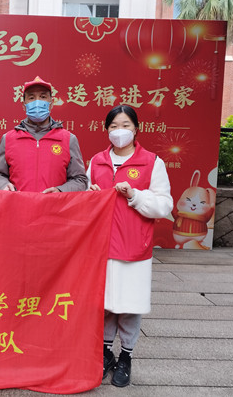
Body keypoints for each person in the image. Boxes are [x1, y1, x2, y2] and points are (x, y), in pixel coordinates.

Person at [87, 105, 173, 387]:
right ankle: (105, 354)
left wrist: (135, 195)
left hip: (135, 246)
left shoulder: (152, 162)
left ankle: (126, 356)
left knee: (130, 306)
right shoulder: (97, 161)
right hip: (102, 246)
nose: (119, 131)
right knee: (105, 304)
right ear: (106, 130)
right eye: (113, 126)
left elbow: (164, 205)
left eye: (125, 125)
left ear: (136, 129)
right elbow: (85, 200)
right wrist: (91, 196)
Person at [0, 76, 87, 192]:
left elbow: (80, 180)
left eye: (43, 97)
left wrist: (60, 190)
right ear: (24, 105)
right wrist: (3, 185)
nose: (37, 102)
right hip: (18, 203)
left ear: (51, 104)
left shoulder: (68, 139)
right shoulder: (8, 138)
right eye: (31, 98)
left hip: (54, 203)